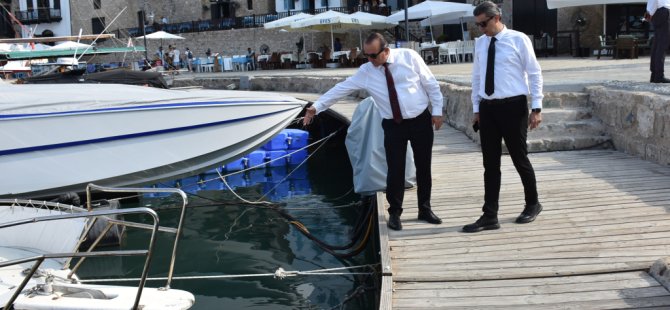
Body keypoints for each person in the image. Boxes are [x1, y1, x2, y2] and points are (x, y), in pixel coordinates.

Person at [303, 33, 444, 231]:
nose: (369, 60)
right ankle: (395, 212)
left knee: (423, 166)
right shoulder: (367, 71)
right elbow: (341, 89)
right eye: (366, 56)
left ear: (386, 51)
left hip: (420, 119)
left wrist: (437, 111)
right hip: (393, 124)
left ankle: (425, 208)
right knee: (395, 169)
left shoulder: (409, 57)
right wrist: (317, 107)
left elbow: (431, 84)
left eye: (373, 56)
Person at [462, 1, 543, 233]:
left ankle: (533, 203)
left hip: (513, 106)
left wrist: (536, 107)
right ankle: (490, 215)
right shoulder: (481, 43)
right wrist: (477, 109)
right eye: (477, 25)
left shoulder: (518, 39)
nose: (480, 29)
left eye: (483, 24)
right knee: (490, 164)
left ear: (496, 18)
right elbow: (477, 77)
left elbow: (534, 72)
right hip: (488, 108)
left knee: (519, 157)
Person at [646, 0, 670, 83]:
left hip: (657, 12)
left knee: (657, 44)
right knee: (662, 44)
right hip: (663, 11)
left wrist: (649, 14)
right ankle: (659, 75)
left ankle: (654, 75)